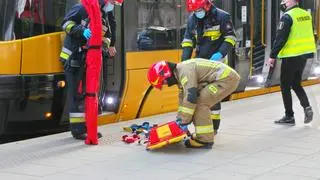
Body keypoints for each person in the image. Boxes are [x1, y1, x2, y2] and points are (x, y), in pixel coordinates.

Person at [59, 0, 123, 140]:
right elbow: (66, 24)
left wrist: (106, 45)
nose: (112, 6)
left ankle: (87, 127)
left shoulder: (101, 14)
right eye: (113, 2)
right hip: (73, 58)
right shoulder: (82, 8)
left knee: (87, 94)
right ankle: (78, 130)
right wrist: (82, 31)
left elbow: (105, 36)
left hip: (86, 59)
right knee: (76, 95)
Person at [147, 58, 240, 148]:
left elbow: (190, 97)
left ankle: (204, 140)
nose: (166, 84)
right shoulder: (179, 74)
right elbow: (183, 98)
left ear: (166, 74)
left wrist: (184, 121)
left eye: (163, 82)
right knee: (196, 103)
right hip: (221, 79)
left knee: (200, 104)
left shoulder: (184, 72)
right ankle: (203, 135)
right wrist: (179, 120)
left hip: (226, 80)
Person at [181, 0, 237, 135]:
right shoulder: (192, 19)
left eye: (198, 9)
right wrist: (184, 62)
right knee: (199, 93)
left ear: (207, 5)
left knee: (212, 95)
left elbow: (230, 38)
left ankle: (214, 127)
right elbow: (188, 41)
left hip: (217, 63)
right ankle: (201, 124)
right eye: (194, 11)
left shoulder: (222, 17)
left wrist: (220, 54)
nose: (196, 13)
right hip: (200, 62)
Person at [267, 0, 316, 126]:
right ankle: (307, 107)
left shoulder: (287, 17)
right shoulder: (306, 14)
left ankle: (289, 116)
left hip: (291, 55)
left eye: (285, 0)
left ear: (291, 1)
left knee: (285, 86)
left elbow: (281, 38)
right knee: (296, 84)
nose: (283, 2)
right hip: (304, 55)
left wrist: (272, 55)